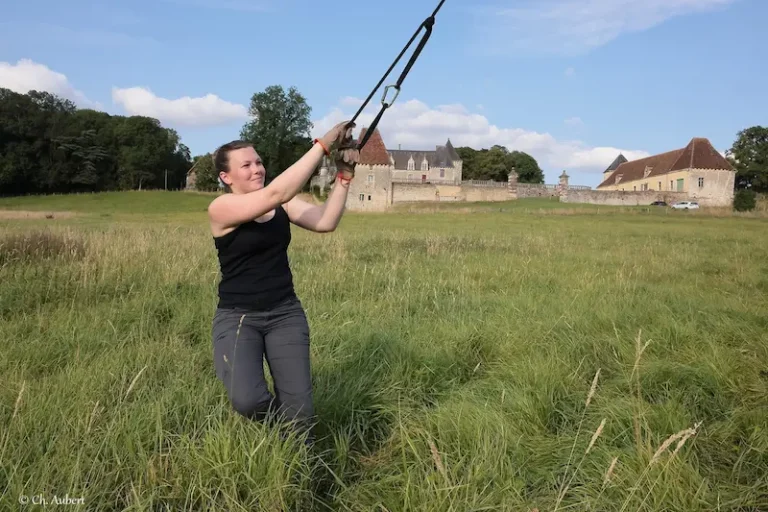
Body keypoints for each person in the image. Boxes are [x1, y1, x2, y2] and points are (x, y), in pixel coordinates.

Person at [207, 121, 359, 443]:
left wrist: (344, 176)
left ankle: (295, 460)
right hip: (238, 317)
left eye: (259, 161)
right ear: (226, 177)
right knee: (247, 400)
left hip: (285, 315)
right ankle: (284, 429)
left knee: (301, 414)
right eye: (246, 165)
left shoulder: (283, 205)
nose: (256, 168)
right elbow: (278, 191)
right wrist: (324, 144)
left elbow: (325, 222)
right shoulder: (221, 208)